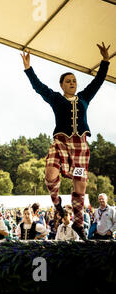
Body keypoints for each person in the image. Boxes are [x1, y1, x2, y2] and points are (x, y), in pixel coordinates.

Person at [21, 42, 110, 240]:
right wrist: (28, 69)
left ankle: (78, 224)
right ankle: (57, 202)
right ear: (61, 85)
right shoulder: (56, 99)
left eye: (74, 81)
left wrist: (105, 61)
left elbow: (98, 81)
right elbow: (39, 87)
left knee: (80, 186)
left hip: (80, 148)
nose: (72, 83)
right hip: (61, 143)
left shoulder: (84, 97)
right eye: (68, 81)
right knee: (51, 170)